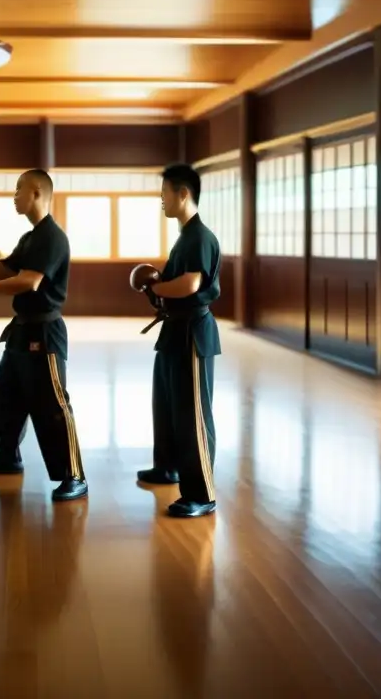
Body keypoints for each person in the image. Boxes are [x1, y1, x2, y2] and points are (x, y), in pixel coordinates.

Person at [0, 169, 87, 502]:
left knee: (52, 404)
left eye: (19, 189)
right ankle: (9, 456)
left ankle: (74, 475)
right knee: (4, 392)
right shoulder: (30, 237)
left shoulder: (51, 236)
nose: (14, 195)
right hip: (21, 329)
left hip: (45, 332)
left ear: (36, 192)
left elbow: (30, 281)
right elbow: (11, 272)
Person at [132, 163, 221, 518]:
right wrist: (156, 289)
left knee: (192, 413)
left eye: (165, 193)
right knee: (166, 405)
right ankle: (167, 467)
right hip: (174, 331)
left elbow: (190, 285)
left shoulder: (200, 237)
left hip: (192, 334)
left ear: (183, 193)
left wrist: (151, 286)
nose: (161, 200)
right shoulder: (185, 236)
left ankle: (201, 494)